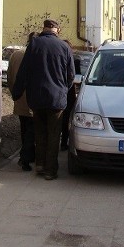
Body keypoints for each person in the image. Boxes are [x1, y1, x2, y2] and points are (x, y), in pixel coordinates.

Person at [12, 19, 75, 180]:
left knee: (40, 132)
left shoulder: (34, 44)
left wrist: (17, 93)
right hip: (56, 99)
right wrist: (63, 90)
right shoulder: (64, 47)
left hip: (36, 98)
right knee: (54, 134)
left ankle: (39, 165)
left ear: (44, 29)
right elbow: (71, 76)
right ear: (57, 30)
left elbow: (23, 72)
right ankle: (50, 170)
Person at [7, 32, 39, 172]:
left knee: (24, 128)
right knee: (32, 129)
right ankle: (25, 158)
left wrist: (14, 93)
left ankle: (28, 155)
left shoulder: (15, 55)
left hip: (19, 98)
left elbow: (9, 77)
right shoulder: (35, 55)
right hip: (33, 99)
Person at [60, 40, 81, 151]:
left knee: (64, 119)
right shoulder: (74, 60)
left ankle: (63, 141)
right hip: (68, 91)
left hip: (64, 92)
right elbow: (75, 77)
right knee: (66, 119)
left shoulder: (61, 59)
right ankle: (64, 142)